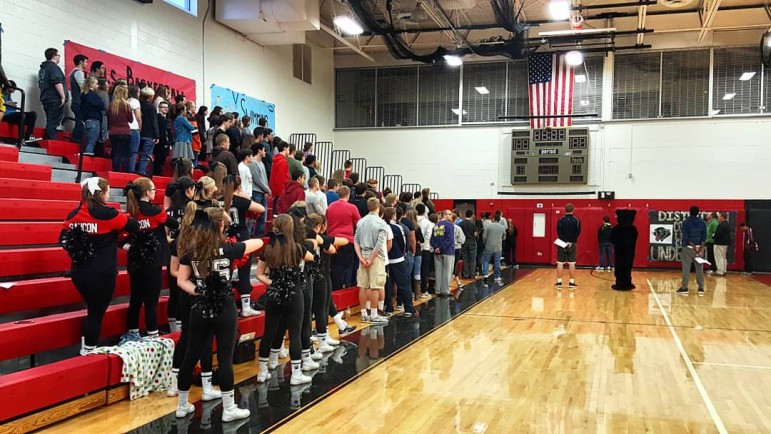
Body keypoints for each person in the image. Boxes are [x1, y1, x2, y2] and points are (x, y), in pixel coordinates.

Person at [175, 206, 263, 422]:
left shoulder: (190, 250)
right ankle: (228, 408)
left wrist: (199, 290)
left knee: (190, 356)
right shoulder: (228, 248)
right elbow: (258, 242)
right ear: (221, 226)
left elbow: (181, 280)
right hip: (224, 307)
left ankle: (182, 405)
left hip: (200, 306)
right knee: (224, 358)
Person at [60, 177, 139, 355]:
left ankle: (85, 347)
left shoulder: (73, 214)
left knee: (92, 311)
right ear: (100, 193)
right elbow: (133, 225)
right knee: (96, 313)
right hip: (102, 273)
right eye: (108, 191)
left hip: (79, 272)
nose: (109, 194)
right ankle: (88, 352)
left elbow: (63, 239)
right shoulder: (108, 213)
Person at [255, 215, 315, 385]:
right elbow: (311, 257)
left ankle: (262, 371)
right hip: (295, 293)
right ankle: (296, 375)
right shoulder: (297, 248)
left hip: (274, 294)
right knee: (295, 333)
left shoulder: (268, 249)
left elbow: (259, 274)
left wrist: (273, 283)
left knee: (269, 333)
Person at [122, 178, 179, 341]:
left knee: (135, 298)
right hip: (152, 261)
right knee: (151, 300)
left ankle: (132, 331)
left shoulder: (130, 211)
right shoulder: (154, 211)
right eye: (153, 189)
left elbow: (121, 237)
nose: (155, 192)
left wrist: (126, 246)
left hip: (134, 261)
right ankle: (152, 335)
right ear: (147, 192)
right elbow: (174, 223)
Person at [220, 174, 265, 317]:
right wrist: (245, 197)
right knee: (244, 272)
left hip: (225, 238)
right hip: (242, 237)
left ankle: (223, 303)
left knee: (224, 271)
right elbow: (261, 209)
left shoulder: (218, 201)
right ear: (238, 186)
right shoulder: (240, 200)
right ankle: (245, 307)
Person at [355, 197, 391, 323]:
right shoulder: (381, 223)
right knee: (375, 286)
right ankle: (374, 314)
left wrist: (360, 257)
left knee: (363, 286)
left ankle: (364, 313)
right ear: (378, 207)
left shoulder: (361, 221)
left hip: (363, 254)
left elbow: (356, 241)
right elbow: (379, 244)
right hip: (376, 257)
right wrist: (371, 259)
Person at [327, 186, 360, 290]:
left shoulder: (331, 206)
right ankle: (346, 287)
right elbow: (359, 223)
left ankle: (334, 288)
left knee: (334, 265)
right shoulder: (352, 207)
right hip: (347, 241)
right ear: (348, 195)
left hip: (333, 239)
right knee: (347, 266)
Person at [385, 207, 415, 316]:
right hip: (397, 259)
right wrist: (402, 253)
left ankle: (388, 308)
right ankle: (408, 308)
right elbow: (404, 243)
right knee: (404, 284)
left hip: (384, 260)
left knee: (387, 285)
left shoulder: (382, 226)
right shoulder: (398, 227)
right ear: (394, 215)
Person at [677, 206, 707, 296]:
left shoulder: (686, 222)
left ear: (689, 212)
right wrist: (700, 249)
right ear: (698, 212)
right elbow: (704, 237)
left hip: (688, 248)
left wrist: (694, 247)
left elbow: (686, 237)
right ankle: (701, 287)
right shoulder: (703, 223)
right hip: (699, 248)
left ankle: (684, 287)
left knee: (686, 268)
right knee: (699, 268)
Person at [38, 48, 67, 140]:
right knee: (53, 122)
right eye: (58, 55)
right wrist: (63, 96)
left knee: (50, 120)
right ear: (54, 56)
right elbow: (57, 82)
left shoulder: (42, 69)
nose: (59, 58)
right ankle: (50, 140)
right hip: (55, 98)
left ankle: (47, 139)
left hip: (45, 97)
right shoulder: (54, 67)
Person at [609, 209, 638, 291]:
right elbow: (635, 239)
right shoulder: (633, 229)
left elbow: (611, 239)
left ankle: (619, 284)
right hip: (630, 252)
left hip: (619, 252)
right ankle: (628, 283)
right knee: (628, 267)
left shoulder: (616, 229)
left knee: (619, 267)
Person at [107, 85, 133, 172]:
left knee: (116, 153)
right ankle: (124, 173)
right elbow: (131, 119)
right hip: (125, 131)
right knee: (125, 155)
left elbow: (109, 119)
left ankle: (115, 172)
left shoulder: (111, 105)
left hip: (114, 132)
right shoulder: (126, 105)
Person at [555, 203, 581, 288]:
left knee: (560, 263)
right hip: (572, 243)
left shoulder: (561, 220)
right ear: (573, 209)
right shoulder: (576, 220)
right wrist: (570, 241)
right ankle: (572, 282)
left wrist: (565, 241)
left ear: (565, 209)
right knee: (572, 263)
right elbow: (577, 232)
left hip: (562, 243)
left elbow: (559, 232)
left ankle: (559, 282)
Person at [431, 210, 455, 295]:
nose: (451, 216)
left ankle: (438, 290)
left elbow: (432, 239)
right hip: (448, 251)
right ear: (445, 215)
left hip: (437, 252)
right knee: (447, 272)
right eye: (450, 214)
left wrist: (436, 248)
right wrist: (441, 248)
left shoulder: (436, 226)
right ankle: (445, 290)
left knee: (438, 272)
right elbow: (449, 239)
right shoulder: (450, 225)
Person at [248, 142, 270, 236]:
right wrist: (267, 189)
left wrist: (266, 189)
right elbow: (257, 179)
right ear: (259, 151)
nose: (265, 152)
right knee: (254, 216)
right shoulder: (253, 162)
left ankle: (259, 235)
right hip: (256, 191)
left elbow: (264, 178)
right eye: (264, 150)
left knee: (263, 216)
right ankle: (252, 235)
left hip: (262, 192)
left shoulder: (261, 163)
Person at [78, 77, 104, 156]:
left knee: (88, 140)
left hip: (87, 120)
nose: (98, 86)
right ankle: (88, 155)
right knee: (92, 142)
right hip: (94, 120)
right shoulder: (92, 95)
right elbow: (101, 105)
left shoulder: (83, 95)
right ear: (91, 85)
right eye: (96, 84)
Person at [137, 88, 159, 176]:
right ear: (150, 96)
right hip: (149, 134)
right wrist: (157, 135)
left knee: (138, 154)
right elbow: (154, 122)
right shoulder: (151, 107)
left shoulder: (139, 105)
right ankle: (141, 172)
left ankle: (138, 170)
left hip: (139, 133)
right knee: (145, 156)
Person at [69, 54, 88, 143]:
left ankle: (75, 140)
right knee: (80, 122)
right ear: (81, 62)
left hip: (75, 100)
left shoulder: (73, 73)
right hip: (78, 101)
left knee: (78, 122)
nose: (87, 64)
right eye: (86, 62)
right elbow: (82, 87)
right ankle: (76, 141)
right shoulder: (78, 73)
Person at [481, 213, 505, 283]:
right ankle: (497, 276)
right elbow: (504, 237)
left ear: (493, 219)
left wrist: (485, 243)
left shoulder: (488, 227)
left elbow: (484, 237)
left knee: (486, 260)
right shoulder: (502, 227)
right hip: (498, 247)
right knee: (497, 262)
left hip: (488, 246)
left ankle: (485, 274)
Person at [417, 203, 434, 297]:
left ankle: (414, 291)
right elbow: (428, 236)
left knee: (415, 270)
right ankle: (423, 291)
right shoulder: (428, 223)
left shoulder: (413, 220)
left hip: (415, 247)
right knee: (424, 270)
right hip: (425, 248)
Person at [269, 140, 290, 210]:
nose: (289, 151)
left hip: (276, 190)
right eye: (288, 149)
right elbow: (281, 178)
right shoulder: (283, 161)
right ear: (284, 148)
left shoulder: (276, 159)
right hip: (281, 191)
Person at [127, 86, 142, 173]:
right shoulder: (135, 101)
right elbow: (138, 117)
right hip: (134, 129)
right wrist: (140, 128)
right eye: (138, 92)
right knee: (133, 152)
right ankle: (131, 170)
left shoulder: (126, 101)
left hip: (126, 128)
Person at [153, 101, 171, 176]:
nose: (166, 109)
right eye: (164, 107)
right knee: (158, 159)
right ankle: (157, 173)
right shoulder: (158, 117)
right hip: (160, 141)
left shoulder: (166, 119)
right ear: (159, 108)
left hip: (166, 142)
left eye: (167, 107)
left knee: (162, 159)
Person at [459, 210, 477, 279]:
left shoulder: (461, 224)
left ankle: (466, 274)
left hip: (464, 242)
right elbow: (475, 234)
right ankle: (472, 275)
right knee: (473, 259)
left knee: (465, 259)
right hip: (472, 242)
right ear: (472, 215)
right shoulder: (473, 224)